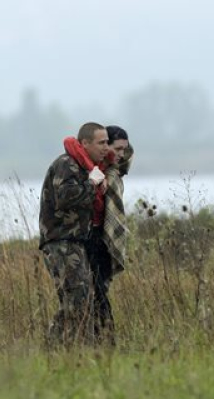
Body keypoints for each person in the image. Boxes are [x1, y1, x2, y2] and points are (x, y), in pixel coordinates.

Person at [59, 125, 133, 345]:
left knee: (99, 291)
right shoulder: (89, 168)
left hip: (102, 237)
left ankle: (95, 341)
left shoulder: (112, 169)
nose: (120, 154)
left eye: (124, 149)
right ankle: (104, 341)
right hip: (89, 236)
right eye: (116, 148)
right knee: (94, 293)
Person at [39, 122, 110, 346]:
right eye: (102, 143)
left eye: (108, 142)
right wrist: (92, 183)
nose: (106, 147)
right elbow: (66, 197)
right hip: (61, 243)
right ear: (85, 143)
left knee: (79, 301)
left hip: (74, 243)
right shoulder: (66, 164)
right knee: (78, 301)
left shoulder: (84, 166)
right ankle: (69, 351)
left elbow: (121, 158)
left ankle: (60, 350)